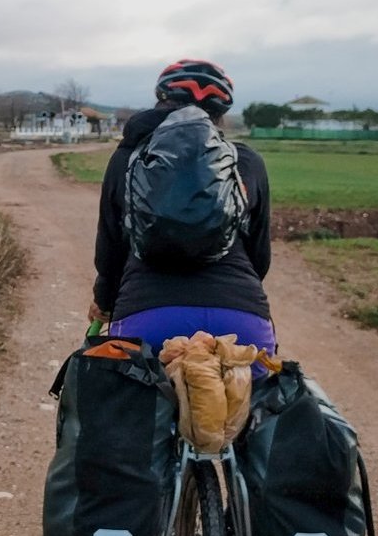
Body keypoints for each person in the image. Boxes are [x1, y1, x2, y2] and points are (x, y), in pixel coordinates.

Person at [90, 59, 275, 370]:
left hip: (147, 316)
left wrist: (105, 301)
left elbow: (111, 253)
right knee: (256, 411)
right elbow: (259, 259)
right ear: (221, 116)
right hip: (241, 322)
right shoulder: (247, 162)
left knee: (132, 411)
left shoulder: (128, 158)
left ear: (162, 103)